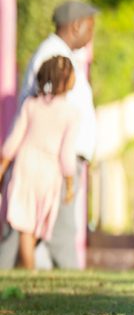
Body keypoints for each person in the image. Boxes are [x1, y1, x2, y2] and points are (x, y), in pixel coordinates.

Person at [0, 0, 97, 269]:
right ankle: (70, 276)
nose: (91, 34)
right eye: (90, 27)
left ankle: (15, 270)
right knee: (56, 227)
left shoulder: (60, 55)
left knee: (20, 222)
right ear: (76, 25)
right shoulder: (54, 58)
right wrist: (69, 177)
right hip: (53, 164)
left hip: (36, 162)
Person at [0, 56, 80, 269]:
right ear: (65, 80)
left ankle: (26, 266)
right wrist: (69, 183)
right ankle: (29, 270)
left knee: (25, 225)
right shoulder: (71, 113)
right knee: (34, 225)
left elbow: (13, 141)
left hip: (25, 167)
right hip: (49, 172)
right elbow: (66, 154)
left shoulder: (31, 104)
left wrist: (3, 166)